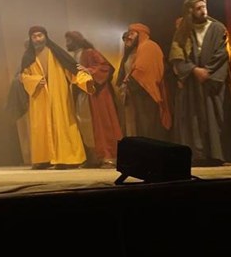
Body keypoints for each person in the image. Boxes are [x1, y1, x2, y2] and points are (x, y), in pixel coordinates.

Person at [168, 0, 231, 165]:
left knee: (215, 116)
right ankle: (198, 155)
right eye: (199, 8)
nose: (203, 11)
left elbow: (222, 53)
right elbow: (176, 54)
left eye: (204, 7)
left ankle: (217, 154)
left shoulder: (217, 28)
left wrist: (207, 71)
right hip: (192, 82)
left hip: (212, 81)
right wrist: (193, 70)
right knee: (193, 119)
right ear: (190, 11)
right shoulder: (183, 31)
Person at [17, 26, 94, 169]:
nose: (37, 39)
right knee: (41, 127)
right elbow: (23, 76)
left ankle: (68, 159)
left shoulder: (57, 53)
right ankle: (43, 159)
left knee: (62, 124)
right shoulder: (28, 57)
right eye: (34, 36)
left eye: (40, 35)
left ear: (45, 36)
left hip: (58, 94)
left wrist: (85, 80)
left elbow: (71, 70)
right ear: (31, 39)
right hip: (39, 97)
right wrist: (34, 81)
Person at [65, 31, 123, 168]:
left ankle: (108, 157)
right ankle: (93, 158)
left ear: (76, 40)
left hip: (97, 95)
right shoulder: (74, 55)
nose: (67, 43)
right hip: (83, 95)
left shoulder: (90, 52)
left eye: (69, 40)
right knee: (86, 126)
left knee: (102, 124)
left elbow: (105, 67)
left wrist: (89, 70)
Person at [119, 23, 172, 141]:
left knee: (149, 128)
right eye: (128, 34)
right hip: (138, 94)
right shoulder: (138, 49)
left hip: (148, 94)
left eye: (132, 34)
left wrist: (130, 79)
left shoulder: (149, 46)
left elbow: (143, 71)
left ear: (141, 34)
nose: (129, 37)